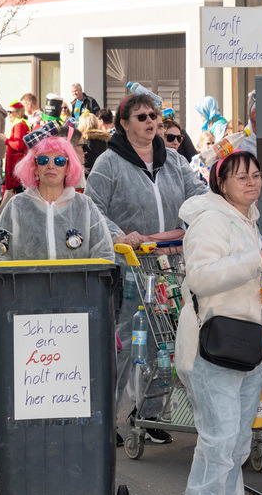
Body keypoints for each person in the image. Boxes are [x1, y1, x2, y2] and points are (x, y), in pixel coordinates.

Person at [0, 128, 115, 495]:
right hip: (24, 320)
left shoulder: (85, 208)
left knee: (70, 392)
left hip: (76, 320)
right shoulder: (18, 208)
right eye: (42, 160)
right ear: (31, 168)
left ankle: (69, 462)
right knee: (12, 391)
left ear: (70, 166)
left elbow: (105, 254)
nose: (51, 166)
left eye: (59, 160)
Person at [175, 150, 262, 495]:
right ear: (222, 182)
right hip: (215, 346)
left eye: (257, 175)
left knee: (236, 442)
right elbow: (199, 277)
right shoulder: (211, 220)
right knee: (218, 441)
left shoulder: (247, 218)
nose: (252, 183)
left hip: (248, 346)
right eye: (242, 177)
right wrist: (253, 261)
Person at [87, 93, 208, 445]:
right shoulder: (109, 163)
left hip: (171, 266)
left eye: (153, 115)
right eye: (141, 117)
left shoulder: (172, 160)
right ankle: (104, 420)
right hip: (130, 266)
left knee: (167, 342)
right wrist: (122, 236)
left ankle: (149, 414)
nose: (150, 122)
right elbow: (93, 210)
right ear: (124, 124)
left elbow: (197, 196)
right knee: (124, 346)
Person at [0, 100, 30, 210]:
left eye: (10, 112)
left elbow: (18, 145)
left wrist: (5, 140)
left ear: (18, 113)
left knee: (19, 193)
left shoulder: (19, 125)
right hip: (18, 163)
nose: (8, 114)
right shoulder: (20, 124)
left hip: (16, 164)